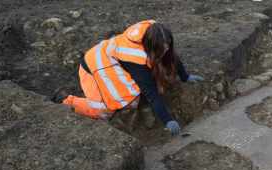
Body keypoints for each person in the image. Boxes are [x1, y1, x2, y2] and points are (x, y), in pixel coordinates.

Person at [52, 19, 203, 136]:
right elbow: (151, 93)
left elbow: (170, 56)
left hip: (112, 60)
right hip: (94, 67)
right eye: (161, 48)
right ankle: (66, 100)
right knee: (107, 109)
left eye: (167, 45)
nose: (166, 49)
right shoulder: (134, 58)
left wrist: (185, 76)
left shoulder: (156, 33)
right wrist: (168, 120)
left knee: (153, 81)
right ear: (151, 46)